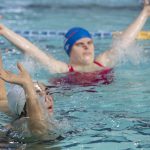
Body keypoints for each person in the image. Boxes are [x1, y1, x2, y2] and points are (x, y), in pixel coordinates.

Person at [0, 54, 59, 142]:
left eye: (47, 92)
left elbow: (1, 98)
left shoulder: (14, 109)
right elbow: (39, 128)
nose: (48, 99)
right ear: (24, 107)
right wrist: (27, 85)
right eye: (38, 94)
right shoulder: (23, 123)